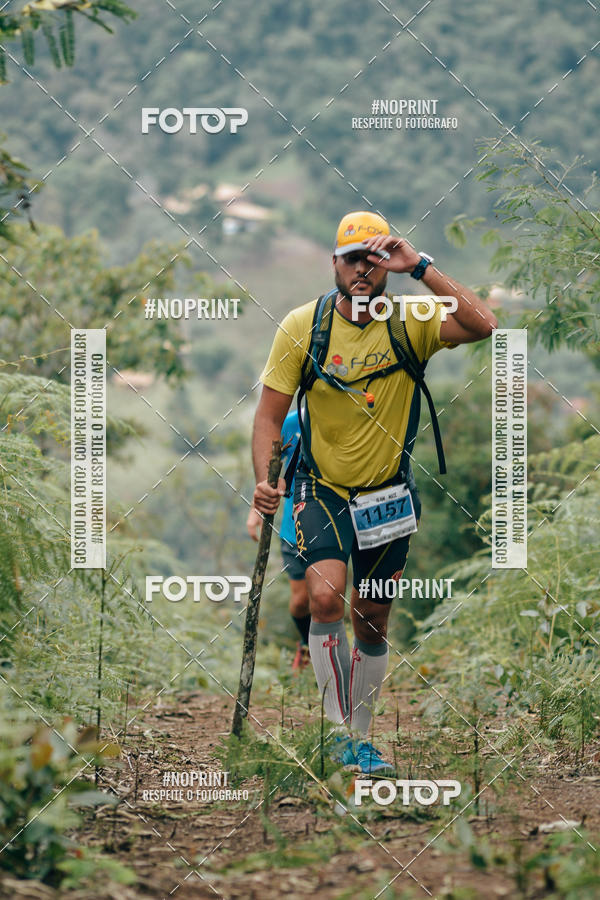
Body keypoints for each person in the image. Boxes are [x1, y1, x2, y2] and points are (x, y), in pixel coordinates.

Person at [252, 210, 497, 773]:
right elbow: (268, 416)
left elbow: (486, 325)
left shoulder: (410, 318)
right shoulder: (303, 326)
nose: (363, 268)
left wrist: (423, 268)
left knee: (372, 618)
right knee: (323, 598)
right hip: (322, 486)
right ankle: (338, 733)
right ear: (334, 263)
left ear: (388, 263)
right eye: (352, 257)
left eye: (375, 257)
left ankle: (361, 736)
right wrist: (266, 481)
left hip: (387, 496)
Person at [246, 410, 311, 671]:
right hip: (293, 525)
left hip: (337, 522)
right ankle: (306, 643)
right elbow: (270, 469)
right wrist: (256, 510)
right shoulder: (292, 422)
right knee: (300, 600)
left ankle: (331, 656)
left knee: (327, 596)